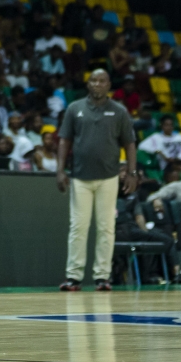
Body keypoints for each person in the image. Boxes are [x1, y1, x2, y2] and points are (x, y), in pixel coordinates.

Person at [57, 69, 137, 291]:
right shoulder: (75, 108)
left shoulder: (119, 112)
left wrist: (131, 173)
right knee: (78, 227)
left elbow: (130, 143)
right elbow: (64, 140)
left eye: (102, 81)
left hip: (109, 177)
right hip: (80, 177)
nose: (98, 84)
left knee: (106, 228)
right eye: (94, 80)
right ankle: (73, 276)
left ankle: (103, 276)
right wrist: (60, 170)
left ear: (109, 84)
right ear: (88, 84)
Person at [112, 165, 178, 283]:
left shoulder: (133, 194)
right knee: (147, 239)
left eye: (126, 172)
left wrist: (145, 233)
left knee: (164, 239)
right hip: (114, 230)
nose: (123, 175)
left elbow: (139, 217)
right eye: (120, 171)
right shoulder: (108, 191)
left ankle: (176, 273)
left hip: (131, 230)